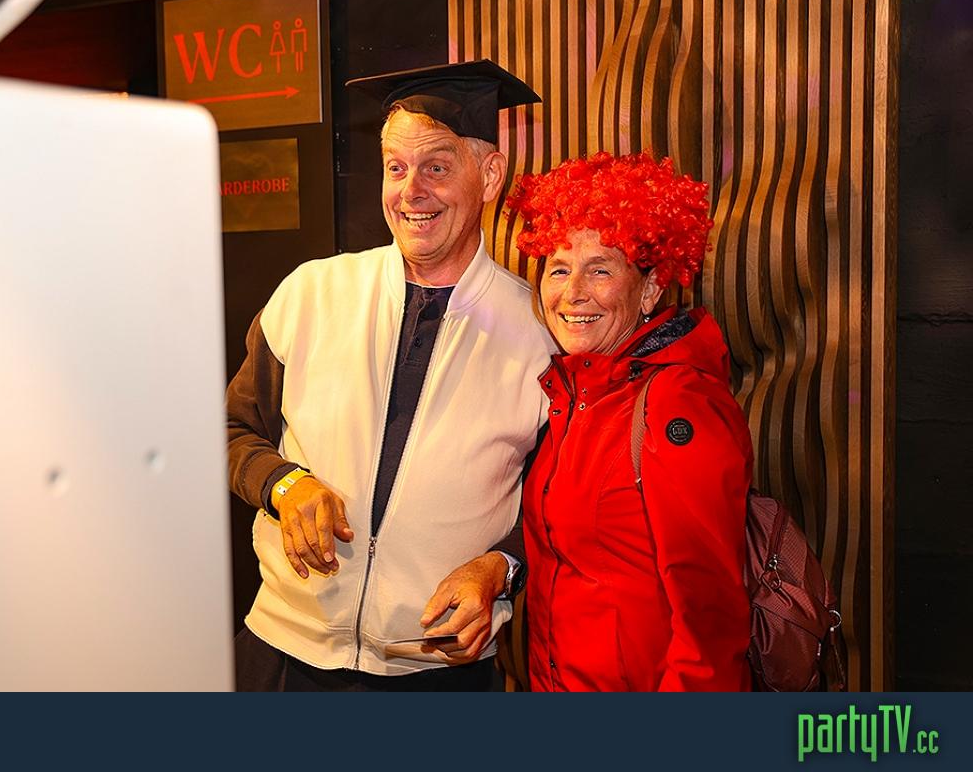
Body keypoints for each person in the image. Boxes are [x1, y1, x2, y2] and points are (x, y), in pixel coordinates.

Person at [225, 60, 555, 691]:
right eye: (396, 168)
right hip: (284, 654)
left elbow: (555, 508)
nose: (410, 192)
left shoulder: (539, 335)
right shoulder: (311, 294)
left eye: (437, 167)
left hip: (436, 672)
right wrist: (282, 484)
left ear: (490, 175)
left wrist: (500, 567)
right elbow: (230, 430)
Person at [507, 151, 752, 691]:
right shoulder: (575, 396)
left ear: (650, 289)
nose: (574, 292)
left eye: (600, 269)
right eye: (559, 269)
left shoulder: (677, 404)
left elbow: (710, 620)